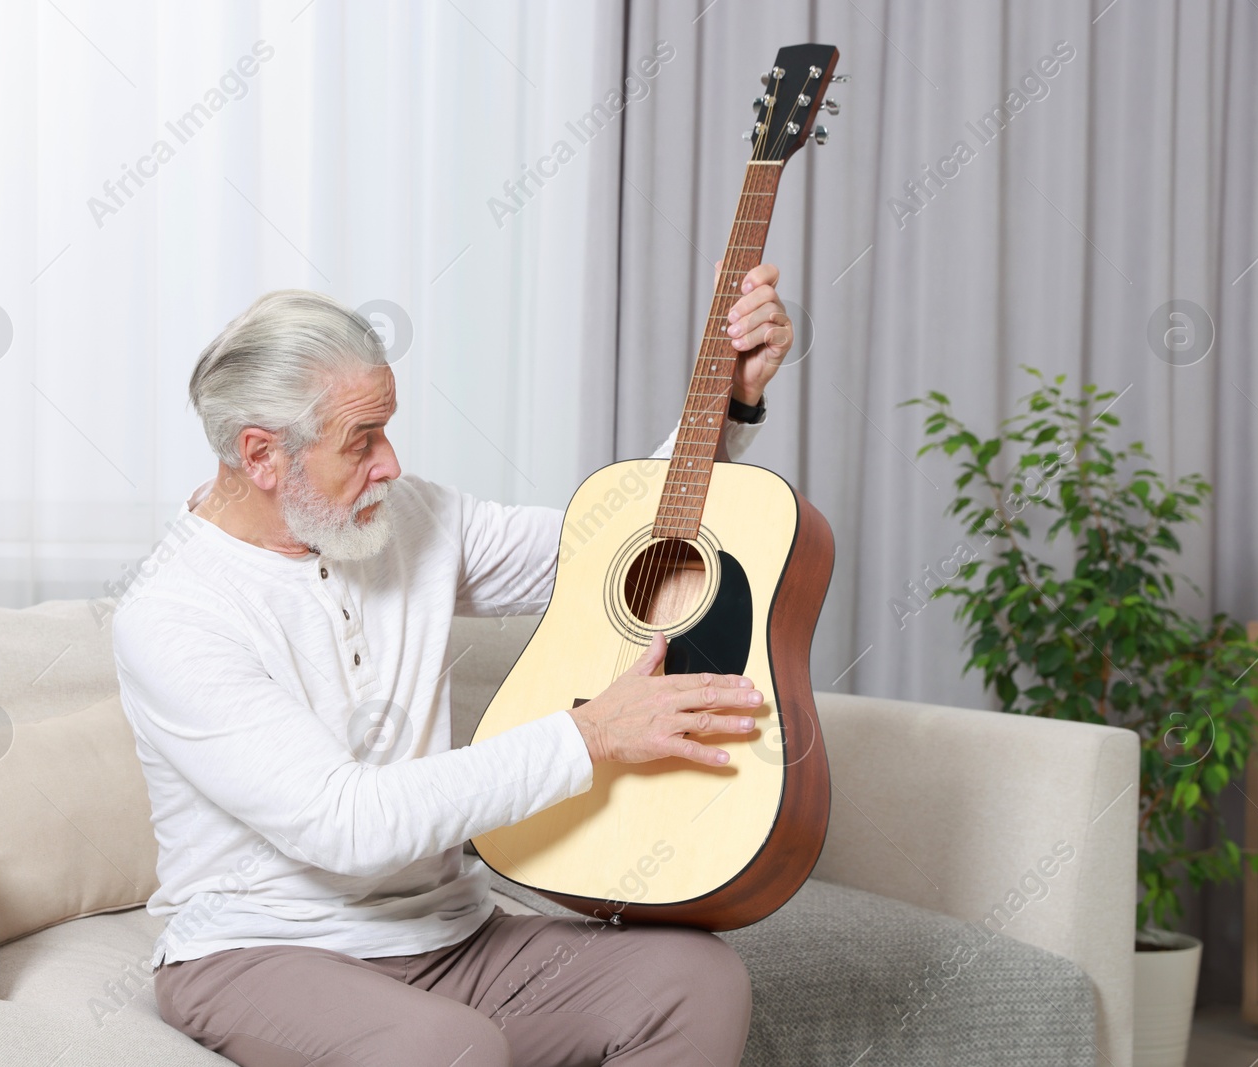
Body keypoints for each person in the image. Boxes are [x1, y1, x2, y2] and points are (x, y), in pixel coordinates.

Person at [112, 264, 794, 1066]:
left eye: (388, 428)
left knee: (694, 978)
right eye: (360, 440)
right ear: (261, 455)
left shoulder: (406, 516)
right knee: (449, 1047)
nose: (390, 462)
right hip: (261, 949)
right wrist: (590, 736)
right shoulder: (174, 614)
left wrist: (725, 405)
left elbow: (622, 552)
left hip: (448, 936)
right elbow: (347, 823)